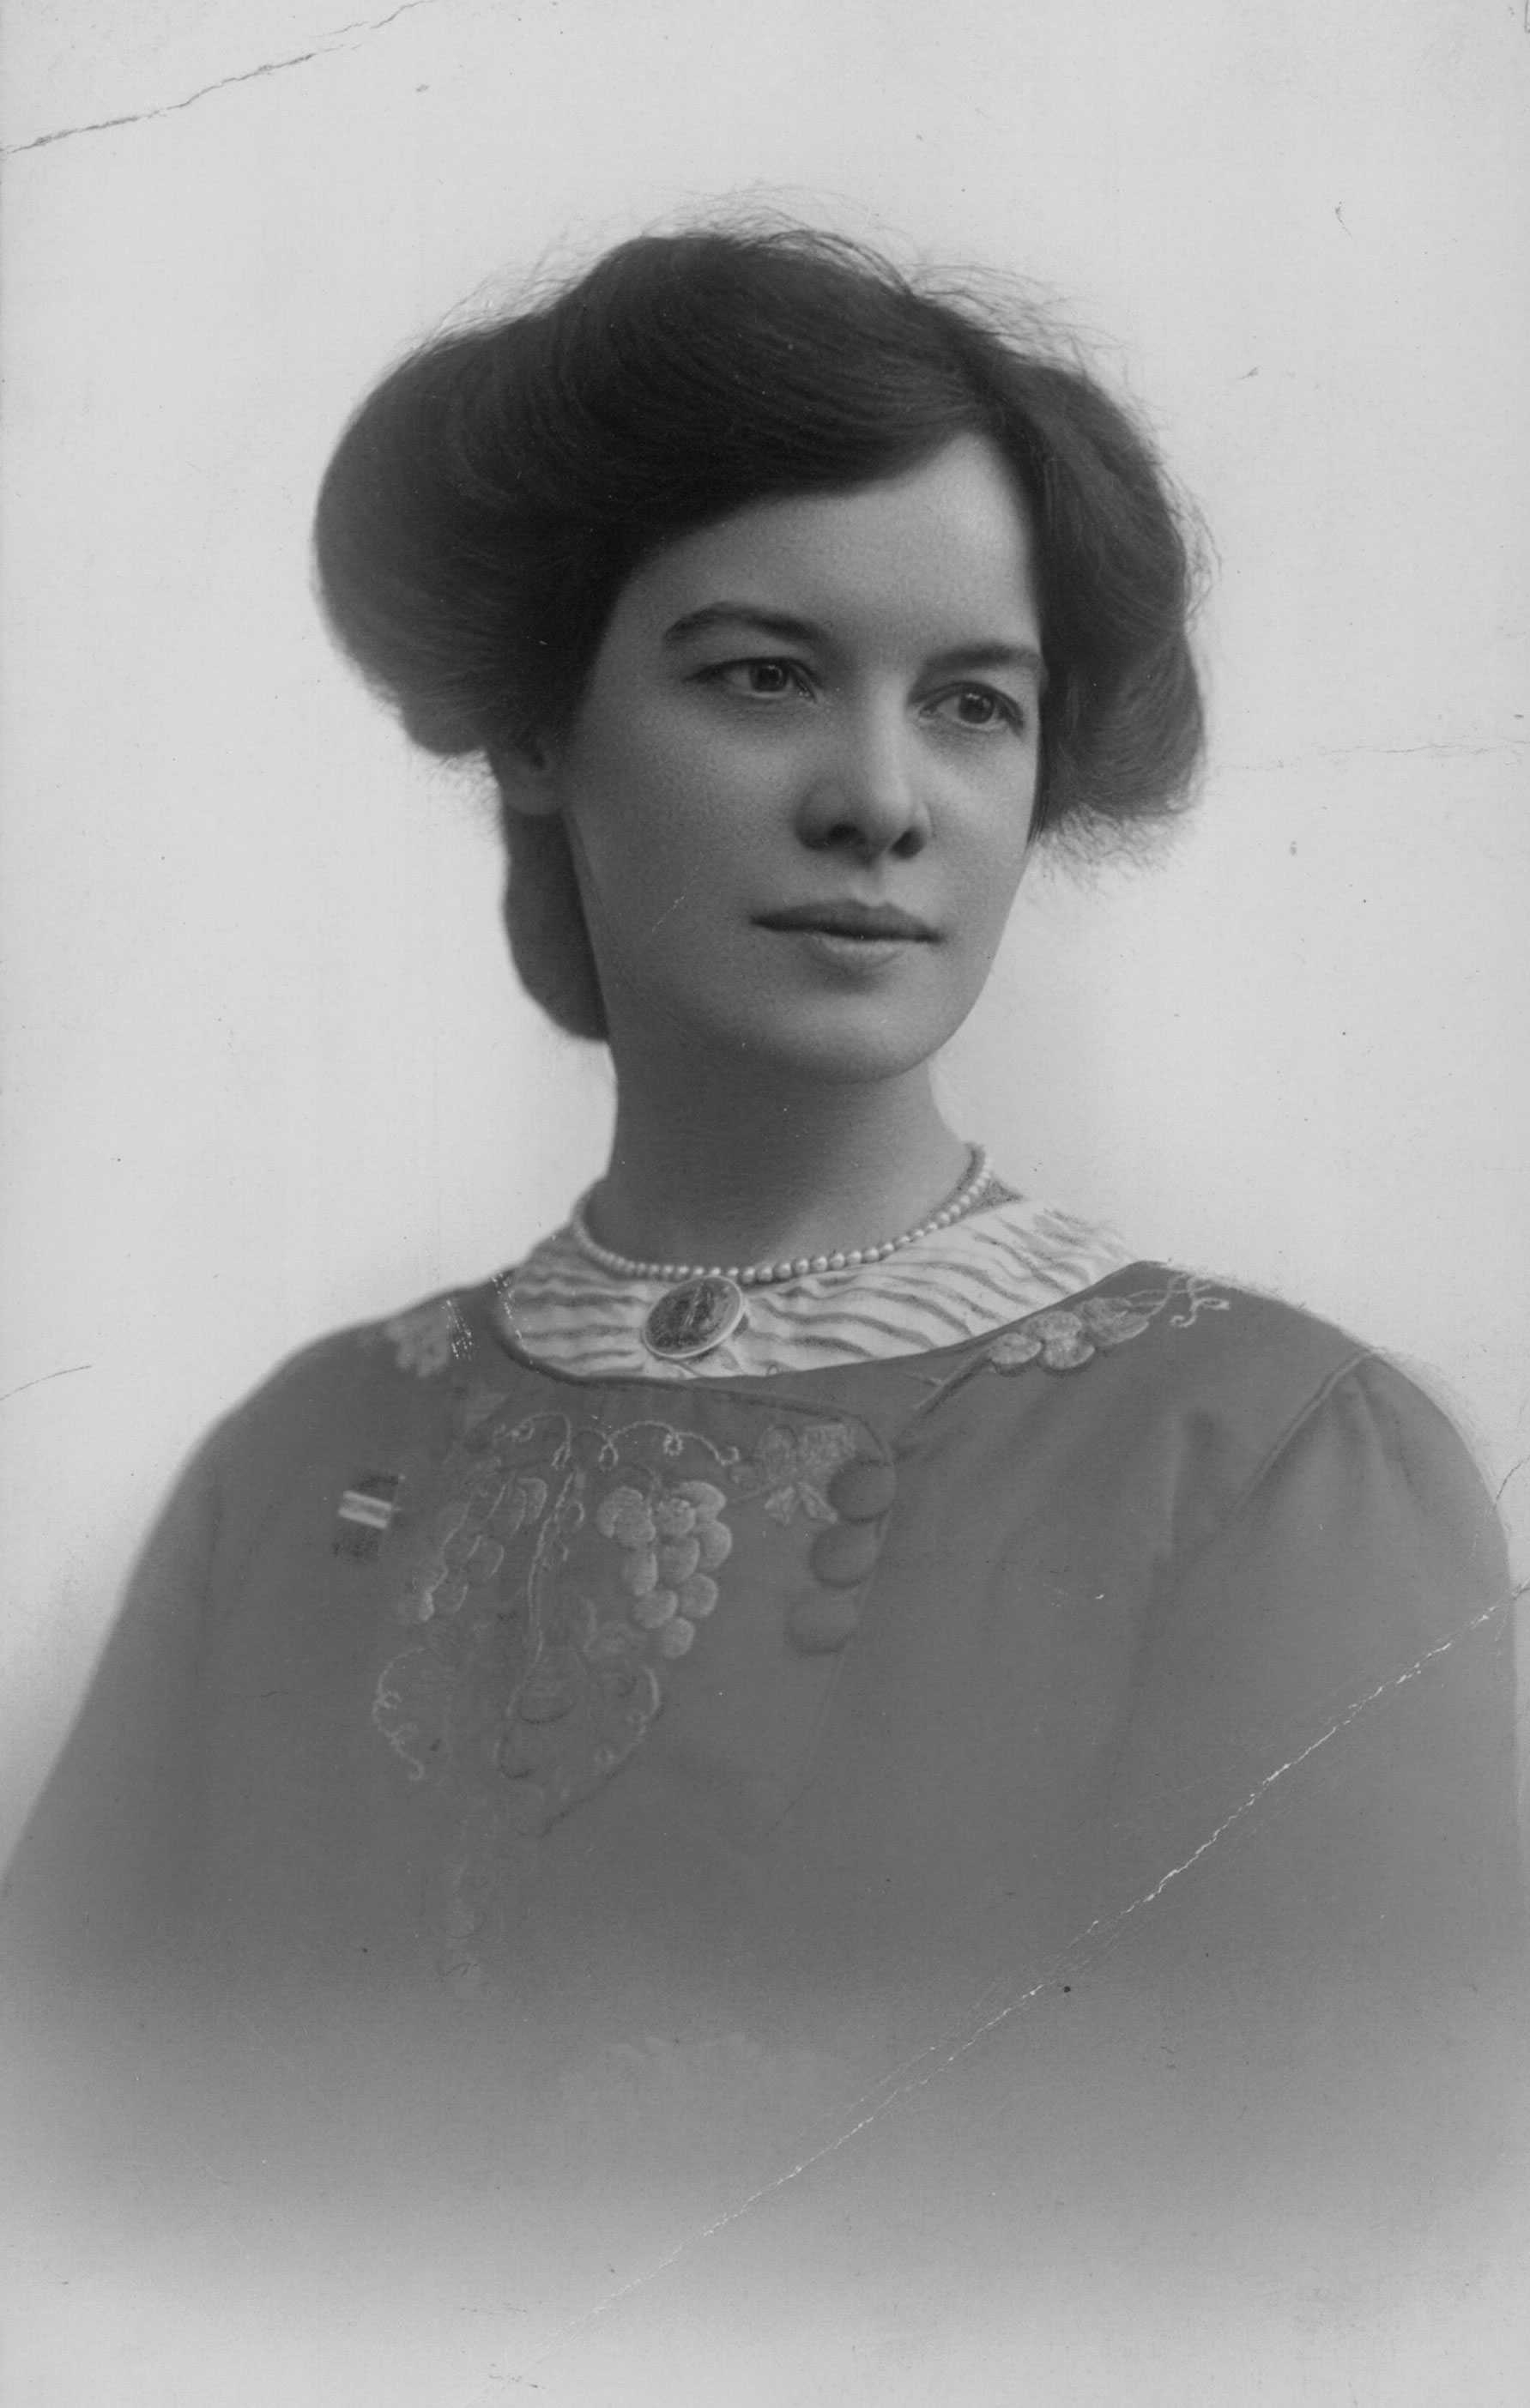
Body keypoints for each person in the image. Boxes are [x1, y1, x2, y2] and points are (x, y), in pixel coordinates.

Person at [3, 223, 1523, 2382]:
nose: (882, 800)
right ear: (539, 726)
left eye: (973, 705)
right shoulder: (300, 1462)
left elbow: (1350, 2293)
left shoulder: (1270, 1464)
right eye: (762, 673)